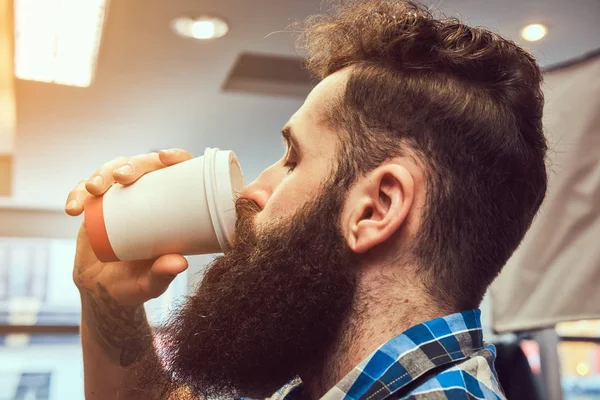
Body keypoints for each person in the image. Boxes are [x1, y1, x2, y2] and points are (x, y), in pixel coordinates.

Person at [65, 1, 548, 399]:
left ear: (376, 208)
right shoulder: (317, 386)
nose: (253, 190)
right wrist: (107, 301)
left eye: (292, 158)